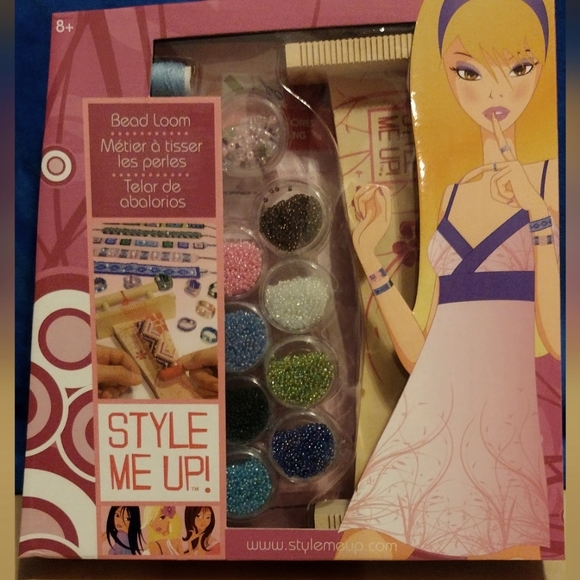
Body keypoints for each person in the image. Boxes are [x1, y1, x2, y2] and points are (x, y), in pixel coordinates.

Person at [339, 0, 560, 560]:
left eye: (520, 67)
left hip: (502, 423)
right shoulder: (454, 194)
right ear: (444, 72)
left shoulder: (553, 181)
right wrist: (369, 257)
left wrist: (539, 216)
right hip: (429, 415)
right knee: (357, 551)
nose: (495, 91)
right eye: (469, 71)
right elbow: (423, 355)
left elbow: (560, 338)